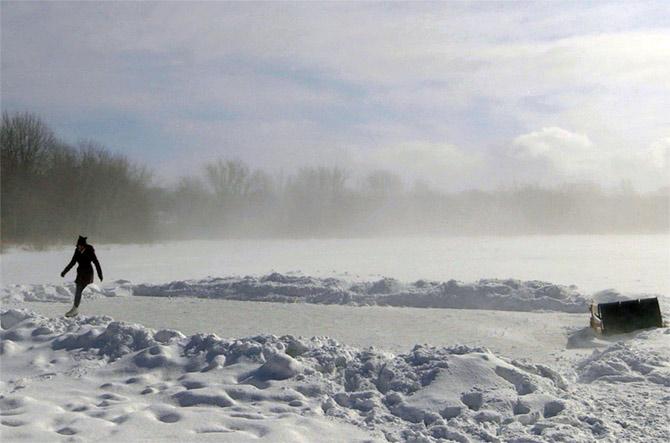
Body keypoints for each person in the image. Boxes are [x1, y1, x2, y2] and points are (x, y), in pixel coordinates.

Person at [61, 236, 103, 317]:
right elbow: (72, 262)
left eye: (80, 245)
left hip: (88, 273)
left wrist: (100, 274)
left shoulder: (89, 250)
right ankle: (75, 309)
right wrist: (64, 271)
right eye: (78, 245)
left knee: (80, 291)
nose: (78, 247)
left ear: (83, 245)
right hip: (80, 273)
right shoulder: (77, 251)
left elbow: (96, 262)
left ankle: (76, 309)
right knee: (78, 291)